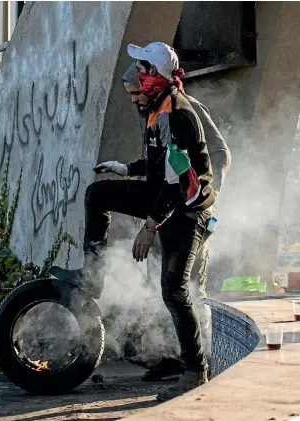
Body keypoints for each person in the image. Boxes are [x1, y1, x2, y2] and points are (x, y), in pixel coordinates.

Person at [52, 41, 215, 401]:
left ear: (156, 76)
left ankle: (195, 372)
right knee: (98, 194)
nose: (138, 78)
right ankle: (90, 276)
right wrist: (126, 169)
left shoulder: (176, 113)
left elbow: (179, 184)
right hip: (164, 196)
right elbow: (159, 167)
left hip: (186, 210)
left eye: (142, 71)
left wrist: (149, 227)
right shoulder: (158, 109)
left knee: (174, 291)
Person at [115, 61, 231, 381]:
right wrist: (128, 171)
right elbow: (160, 167)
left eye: (137, 92)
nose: (135, 100)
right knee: (164, 286)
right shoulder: (152, 113)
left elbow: (219, 153)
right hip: (165, 214)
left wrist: (203, 198)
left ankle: (203, 361)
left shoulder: (185, 109)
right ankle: (175, 357)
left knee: (189, 287)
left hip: (192, 215)